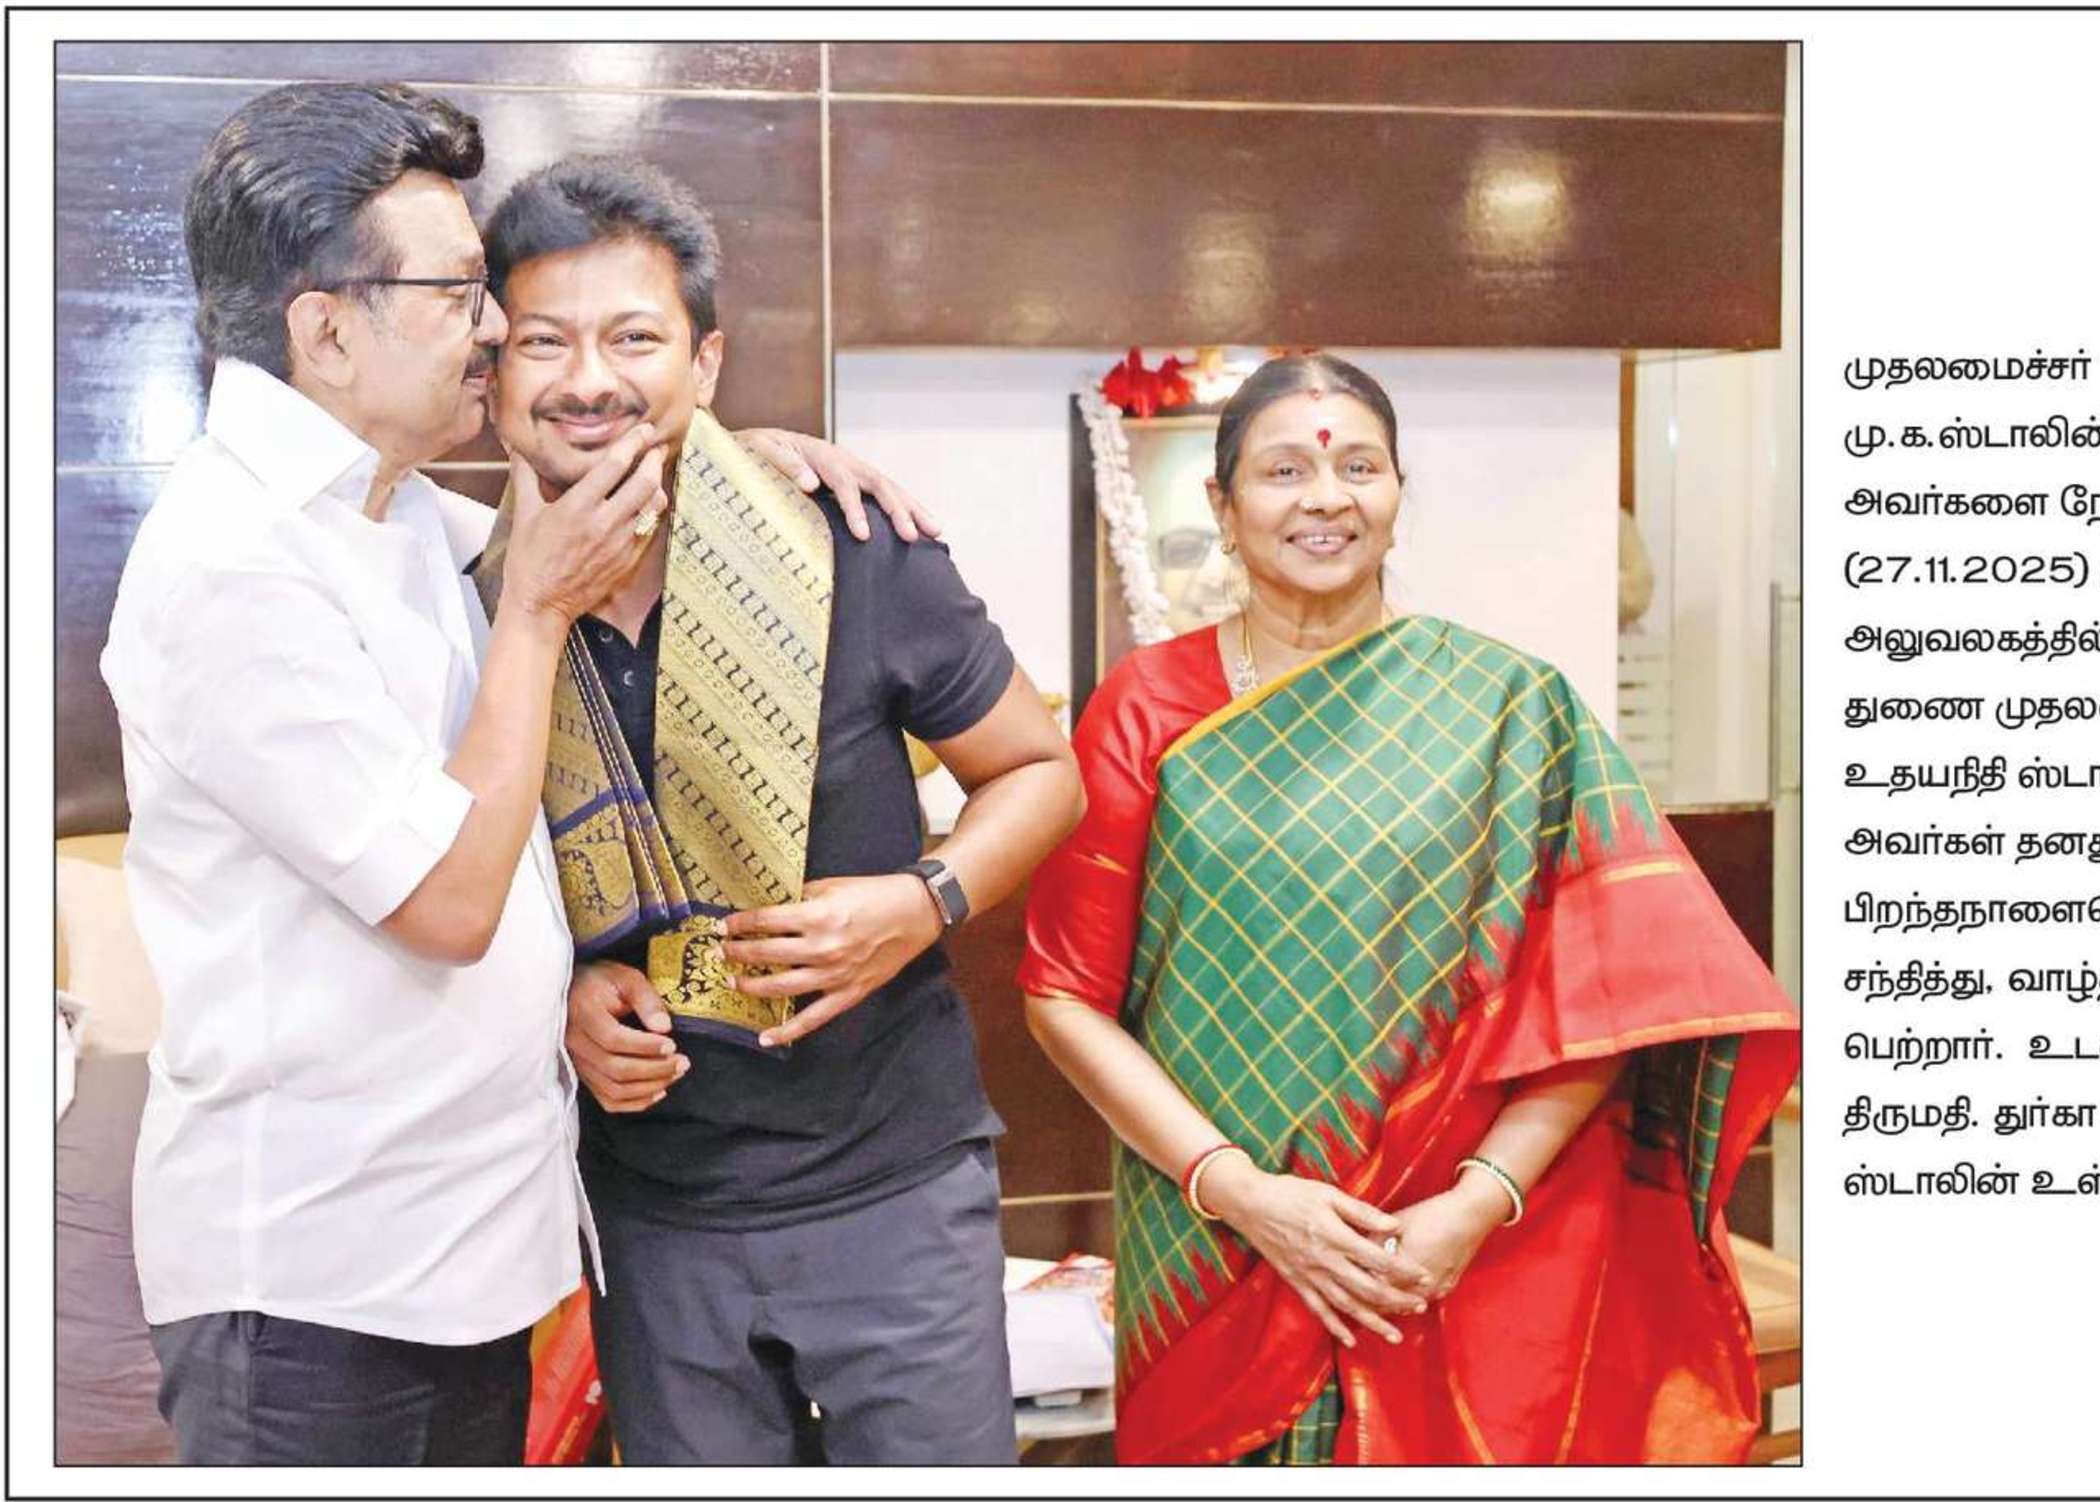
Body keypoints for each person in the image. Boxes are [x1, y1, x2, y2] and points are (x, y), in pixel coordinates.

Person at [101, 83, 930, 1466]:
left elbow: (614, 505)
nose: (492, 328)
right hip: (316, 1283)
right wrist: (535, 616)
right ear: (325, 329)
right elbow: (445, 900)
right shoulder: (232, 561)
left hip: (462, 1258)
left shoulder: (391, 507)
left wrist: (738, 469)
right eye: (456, 292)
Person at [1019, 354, 1801, 1465]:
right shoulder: (1144, 708)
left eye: (1358, 466)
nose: (1325, 497)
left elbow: (1608, 1001)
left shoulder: (1510, 708)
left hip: (1450, 1247)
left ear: (1396, 493)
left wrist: (1474, 1205)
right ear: (1222, 506)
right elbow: (1063, 996)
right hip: (1218, 1241)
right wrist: (1242, 1192)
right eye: (1284, 470)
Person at [475, 156, 1083, 1465]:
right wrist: (559, 995)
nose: (589, 377)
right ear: (494, 373)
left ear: (705, 363)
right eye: (544, 341)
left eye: (634, 337)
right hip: (649, 1213)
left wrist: (923, 900)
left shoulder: (845, 541)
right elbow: (451, 875)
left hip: (892, 1186)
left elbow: (1041, 771)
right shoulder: (464, 603)